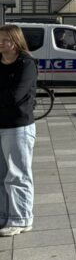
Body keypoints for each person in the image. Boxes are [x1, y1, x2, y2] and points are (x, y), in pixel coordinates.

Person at [0, 24, 37, 237]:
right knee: (2, 174)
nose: (1, 42)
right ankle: (5, 216)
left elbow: (15, 96)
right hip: (1, 123)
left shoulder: (26, 64)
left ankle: (21, 218)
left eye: (5, 39)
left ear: (16, 40)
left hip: (18, 126)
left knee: (18, 174)